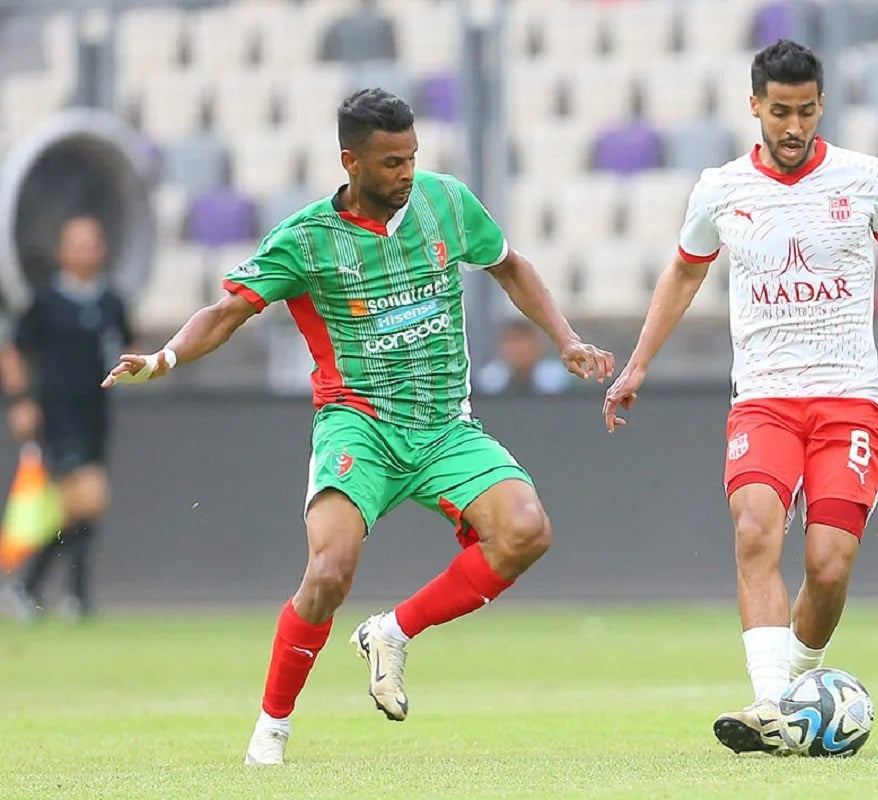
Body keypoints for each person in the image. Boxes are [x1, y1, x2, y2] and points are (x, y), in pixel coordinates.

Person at [101, 89, 613, 765]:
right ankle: (270, 733)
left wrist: (565, 339)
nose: (407, 173)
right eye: (392, 162)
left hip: (443, 428)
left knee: (526, 530)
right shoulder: (308, 240)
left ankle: (393, 631)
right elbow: (229, 310)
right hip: (359, 427)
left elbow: (510, 266)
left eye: (412, 158)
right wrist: (166, 356)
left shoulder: (447, 203)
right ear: (351, 161)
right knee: (330, 571)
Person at [602, 40, 878, 755]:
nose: (793, 126)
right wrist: (636, 365)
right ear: (755, 106)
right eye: (780, 111)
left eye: (806, 111)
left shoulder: (865, 178)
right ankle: (771, 706)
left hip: (849, 398)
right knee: (755, 530)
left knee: (827, 566)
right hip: (763, 398)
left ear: (822, 107)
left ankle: (798, 683)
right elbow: (684, 274)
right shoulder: (721, 189)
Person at [0, 216, 133, 621]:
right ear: (62, 251)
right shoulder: (46, 301)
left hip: (96, 413)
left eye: (91, 243)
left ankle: (34, 588)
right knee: (87, 497)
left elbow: (129, 344)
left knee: (78, 507)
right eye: (76, 244)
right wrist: (21, 399)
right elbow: (13, 350)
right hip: (58, 414)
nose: (84, 252)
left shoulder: (111, 301)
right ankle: (68, 593)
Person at [475, 318, 572, 395]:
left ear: (536, 345)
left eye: (522, 342)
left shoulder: (556, 377)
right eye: (511, 342)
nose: (517, 349)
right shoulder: (489, 380)